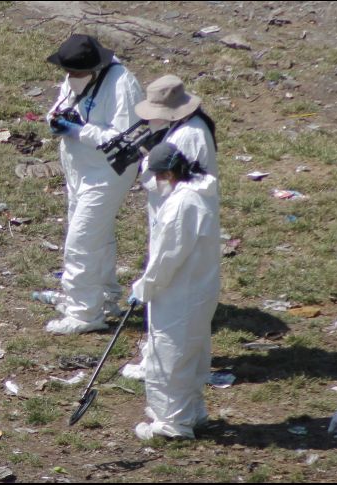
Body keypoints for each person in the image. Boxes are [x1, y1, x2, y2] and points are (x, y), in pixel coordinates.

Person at [44, 33, 145, 335]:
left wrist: (78, 131)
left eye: (76, 73)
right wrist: (54, 118)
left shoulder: (121, 84)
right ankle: (104, 297)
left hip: (106, 174)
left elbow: (124, 138)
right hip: (79, 170)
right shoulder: (76, 74)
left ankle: (85, 314)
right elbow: (63, 103)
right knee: (95, 235)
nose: (70, 77)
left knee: (81, 242)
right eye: (68, 72)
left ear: (95, 67)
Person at [121, 74, 219, 381]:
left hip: (177, 221)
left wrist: (146, 165)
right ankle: (187, 367)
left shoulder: (187, 137)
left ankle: (162, 367)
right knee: (186, 309)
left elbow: (166, 180)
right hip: (183, 221)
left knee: (169, 302)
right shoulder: (192, 127)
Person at [127, 142, 221, 440]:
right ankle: (192, 412)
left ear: (168, 173)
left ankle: (172, 426)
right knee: (191, 354)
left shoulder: (182, 205)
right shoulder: (198, 195)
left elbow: (167, 257)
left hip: (179, 293)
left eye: (156, 176)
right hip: (197, 289)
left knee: (169, 357)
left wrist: (144, 287)